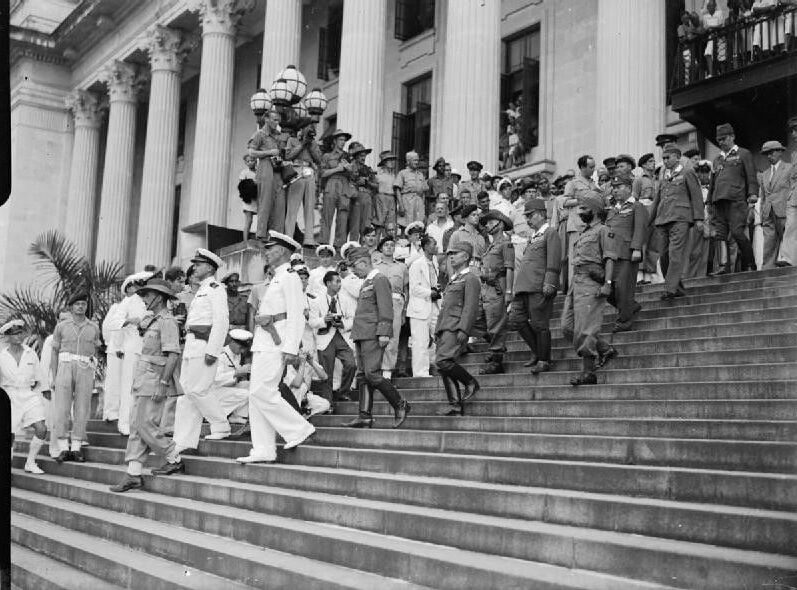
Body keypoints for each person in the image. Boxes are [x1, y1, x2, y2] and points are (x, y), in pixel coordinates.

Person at [237, 232, 316, 463]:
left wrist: (291, 347)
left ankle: (299, 429)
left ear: (282, 251)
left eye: (270, 249)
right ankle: (263, 449)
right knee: (255, 395)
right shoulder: (276, 278)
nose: (267, 253)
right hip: (264, 340)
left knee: (265, 391)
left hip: (277, 341)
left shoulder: (290, 276)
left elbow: (296, 314)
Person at [110, 279, 185, 491]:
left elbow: (172, 355)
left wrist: (163, 383)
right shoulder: (152, 320)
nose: (143, 300)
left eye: (147, 296)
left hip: (155, 379)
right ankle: (133, 474)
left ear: (159, 298)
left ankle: (174, 457)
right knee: (136, 426)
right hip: (144, 378)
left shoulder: (167, 321)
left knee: (145, 425)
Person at [343, 246, 411, 428]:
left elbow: (386, 307)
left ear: (363, 263)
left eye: (354, 267)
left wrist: (384, 332)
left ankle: (400, 403)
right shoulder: (367, 281)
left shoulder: (379, 279)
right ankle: (364, 415)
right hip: (362, 334)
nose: (353, 272)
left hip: (373, 334)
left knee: (372, 374)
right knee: (363, 376)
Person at [174, 249, 233, 456]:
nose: (195, 267)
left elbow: (221, 321)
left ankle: (221, 425)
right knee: (187, 394)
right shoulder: (201, 289)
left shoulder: (216, 288)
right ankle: (183, 440)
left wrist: (213, 350)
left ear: (209, 267)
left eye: (198, 264)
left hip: (204, 346)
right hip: (192, 346)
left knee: (199, 390)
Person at [561, 192, 618, 386]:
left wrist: (607, 284)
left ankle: (588, 373)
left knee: (586, 329)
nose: (580, 211)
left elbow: (609, 258)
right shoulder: (583, 232)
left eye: (584, 208)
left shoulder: (603, 230)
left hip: (591, 282)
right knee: (567, 327)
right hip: (576, 282)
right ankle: (604, 348)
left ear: (594, 210)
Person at [510, 199, 561, 374]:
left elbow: (554, 260)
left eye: (530, 215)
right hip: (523, 286)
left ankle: (544, 359)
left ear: (540, 213)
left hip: (539, 285)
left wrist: (550, 282)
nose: (528, 219)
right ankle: (537, 352)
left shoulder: (550, 232)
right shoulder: (534, 236)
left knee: (540, 324)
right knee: (516, 319)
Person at [50, 291, 102, 462]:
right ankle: (64, 448)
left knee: (82, 408)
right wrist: (54, 375)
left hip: (85, 367)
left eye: (83, 304)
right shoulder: (62, 326)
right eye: (77, 304)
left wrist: (94, 371)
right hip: (65, 366)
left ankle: (77, 447)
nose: (81, 307)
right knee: (62, 408)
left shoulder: (93, 327)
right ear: (71, 307)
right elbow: (55, 352)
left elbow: (96, 351)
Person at [651, 145, 705, 299]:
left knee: (675, 254)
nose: (665, 161)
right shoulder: (662, 174)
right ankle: (678, 287)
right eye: (664, 158)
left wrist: (699, 219)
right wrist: (649, 220)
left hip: (681, 218)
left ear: (677, 156)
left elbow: (696, 196)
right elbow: (657, 200)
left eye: (668, 157)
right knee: (663, 255)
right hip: (662, 219)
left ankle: (669, 289)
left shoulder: (687, 172)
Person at [435, 242, 481, 416]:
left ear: (466, 256)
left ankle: (470, 383)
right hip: (445, 326)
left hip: (455, 327)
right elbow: (445, 306)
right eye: (450, 254)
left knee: (443, 361)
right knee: (443, 365)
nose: (451, 256)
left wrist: (464, 329)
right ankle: (455, 404)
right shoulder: (454, 279)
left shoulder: (470, 278)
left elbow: (470, 307)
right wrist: (437, 329)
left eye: (456, 253)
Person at [710, 123, 758, 273]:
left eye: (724, 138)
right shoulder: (717, 159)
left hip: (736, 200)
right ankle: (724, 266)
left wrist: (752, 194)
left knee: (737, 233)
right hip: (719, 202)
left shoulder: (743, 153)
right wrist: (708, 201)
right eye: (719, 140)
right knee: (720, 235)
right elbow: (713, 182)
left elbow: (751, 175)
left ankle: (750, 263)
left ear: (732, 137)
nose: (721, 142)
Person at [1, 320, 48, 474]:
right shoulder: (2, 356)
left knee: (41, 428)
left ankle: (30, 462)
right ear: (7, 337)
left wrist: (35, 391)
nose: (18, 337)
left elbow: (38, 377)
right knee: (10, 434)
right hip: (9, 396)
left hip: (28, 394)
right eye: (14, 334)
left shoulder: (30, 353)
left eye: (20, 333)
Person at [605, 173, 649, 331]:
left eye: (619, 187)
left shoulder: (637, 206)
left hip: (627, 253)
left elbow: (640, 228)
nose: (615, 191)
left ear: (629, 188)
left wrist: (637, 248)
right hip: (610, 254)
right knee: (607, 289)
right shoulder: (612, 209)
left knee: (623, 288)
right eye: (614, 188)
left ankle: (624, 321)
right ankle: (631, 307)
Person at [308, 270, 356, 409]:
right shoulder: (316, 301)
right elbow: (312, 322)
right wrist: (324, 319)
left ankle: (343, 392)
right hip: (325, 338)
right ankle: (327, 402)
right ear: (328, 283)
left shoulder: (346, 300)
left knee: (351, 364)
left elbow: (352, 318)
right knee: (326, 372)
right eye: (337, 281)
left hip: (341, 336)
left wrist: (343, 324)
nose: (339, 284)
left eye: (340, 281)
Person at [476, 210, 515, 374]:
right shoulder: (491, 244)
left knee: (496, 323)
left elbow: (509, 268)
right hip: (487, 287)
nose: (488, 225)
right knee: (479, 320)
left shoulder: (506, 243)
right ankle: (496, 347)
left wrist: (508, 291)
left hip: (497, 286)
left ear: (500, 224)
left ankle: (497, 359)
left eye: (491, 222)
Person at [114, 272, 151, 436]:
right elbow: (115, 322)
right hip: (132, 348)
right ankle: (124, 424)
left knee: (145, 389)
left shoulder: (153, 301)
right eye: (141, 284)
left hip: (149, 350)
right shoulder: (128, 302)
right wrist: (130, 320)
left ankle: (140, 423)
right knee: (128, 387)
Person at [374, 235, 409, 379]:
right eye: (386, 245)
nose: (389, 247)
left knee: (393, 338)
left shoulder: (402, 267)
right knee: (377, 335)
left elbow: (406, 290)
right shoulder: (375, 267)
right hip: (377, 303)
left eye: (391, 245)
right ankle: (375, 370)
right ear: (381, 248)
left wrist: (403, 312)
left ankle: (387, 372)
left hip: (396, 302)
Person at [560, 156, 597, 292]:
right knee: (575, 258)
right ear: (582, 168)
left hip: (592, 224)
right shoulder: (573, 183)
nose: (593, 170)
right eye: (590, 167)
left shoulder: (594, 184)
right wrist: (581, 199)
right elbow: (564, 202)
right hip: (576, 224)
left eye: (594, 167)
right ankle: (573, 289)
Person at [407, 235, 440, 378]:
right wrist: (430, 292)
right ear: (425, 246)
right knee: (420, 341)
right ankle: (420, 373)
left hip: (434, 305)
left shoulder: (435, 263)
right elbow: (414, 288)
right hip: (420, 307)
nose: (435, 247)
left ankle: (434, 366)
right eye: (433, 244)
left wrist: (436, 290)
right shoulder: (416, 264)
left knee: (438, 338)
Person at [284, 123, 322, 246]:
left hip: (309, 171)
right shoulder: (292, 140)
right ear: (301, 129)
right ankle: (288, 236)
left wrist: (309, 145)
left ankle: (309, 238)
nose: (310, 131)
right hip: (296, 170)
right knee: (292, 207)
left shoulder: (313, 144)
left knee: (310, 207)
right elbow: (288, 155)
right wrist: (302, 145)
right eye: (307, 128)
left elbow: (319, 159)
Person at [249, 108, 284, 238]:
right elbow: (251, 153)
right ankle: (261, 234)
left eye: (278, 121)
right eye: (274, 120)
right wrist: (269, 153)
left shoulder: (277, 136)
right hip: (265, 167)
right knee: (265, 202)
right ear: (267, 119)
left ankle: (277, 236)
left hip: (277, 169)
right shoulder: (259, 134)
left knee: (280, 203)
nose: (277, 123)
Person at [212, 328, 253, 434]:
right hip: (216, 391)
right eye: (240, 348)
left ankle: (238, 415)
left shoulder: (237, 354)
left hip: (229, 387)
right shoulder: (221, 355)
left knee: (252, 386)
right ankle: (235, 416)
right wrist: (236, 373)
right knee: (247, 394)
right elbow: (216, 379)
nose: (242, 351)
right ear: (233, 342)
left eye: (244, 349)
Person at [758, 140, 792, 269]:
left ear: (780, 152)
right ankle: (767, 271)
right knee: (769, 244)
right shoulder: (764, 174)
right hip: (768, 213)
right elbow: (764, 196)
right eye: (766, 154)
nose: (769, 156)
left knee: (789, 243)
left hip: (784, 211)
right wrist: (762, 214)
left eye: (771, 152)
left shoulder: (789, 168)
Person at [320, 129, 354, 247]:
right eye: (340, 139)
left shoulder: (349, 157)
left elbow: (354, 176)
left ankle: (339, 244)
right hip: (331, 183)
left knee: (343, 217)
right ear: (334, 141)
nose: (343, 142)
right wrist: (337, 169)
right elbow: (322, 173)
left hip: (344, 185)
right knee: (327, 215)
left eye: (344, 140)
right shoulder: (327, 156)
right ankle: (324, 243)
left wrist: (350, 170)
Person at [633, 153, 660, 284]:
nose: (653, 163)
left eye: (653, 161)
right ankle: (639, 273)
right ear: (643, 165)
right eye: (650, 161)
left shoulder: (657, 180)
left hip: (656, 211)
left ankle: (650, 272)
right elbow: (635, 199)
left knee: (654, 243)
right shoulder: (639, 180)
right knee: (642, 242)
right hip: (643, 209)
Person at [101, 290, 124, 425]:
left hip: (127, 349)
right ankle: (111, 412)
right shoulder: (116, 307)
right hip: (114, 349)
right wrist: (113, 344)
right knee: (113, 382)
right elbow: (107, 327)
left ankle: (120, 412)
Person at [777, 117, 797, 267]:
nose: (794, 134)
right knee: (790, 226)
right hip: (794, 196)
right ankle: (788, 258)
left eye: (796, 130)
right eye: (792, 131)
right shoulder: (794, 154)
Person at [348, 142, 377, 241]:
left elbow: (376, 185)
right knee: (355, 223)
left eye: (364, 156)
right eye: (361, 156)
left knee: (366, 224)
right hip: (356, 196)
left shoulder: (368, 169)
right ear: (356, 156)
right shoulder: (350, 167)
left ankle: (365, 246)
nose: (363, 158)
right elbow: (347, 182)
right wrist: (356, 182)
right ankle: (354, 246)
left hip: (367, 197)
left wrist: (367, 182)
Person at [394, 151, 427, 228]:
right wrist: (401, 206)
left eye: (417, 160)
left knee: (417, 226)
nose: (417, 162)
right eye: (414, 160)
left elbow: (424, 192)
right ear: (408, 161)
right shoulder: (402, 173)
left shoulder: (420, 174)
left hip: (418, 203)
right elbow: (397, 190)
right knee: (405, 226)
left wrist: (423, 205)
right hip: (407, 202)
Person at [374, 151, 398, 241]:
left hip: (392, 199)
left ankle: (390, 243)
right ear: (384, 162)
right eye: (389, 160)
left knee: (391, 224)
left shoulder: (394, 176)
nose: (392, 162)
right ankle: (375, 246)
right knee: (379, 224)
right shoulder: (378, 175)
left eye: (393, 160)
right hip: (381, 198)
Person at [238, 154, 258, 242]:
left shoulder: (259, 172)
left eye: (252, 160)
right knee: (249, 220)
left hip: (258, 198)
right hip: (249, 200)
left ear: (256, 161)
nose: (250, 163)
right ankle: (245, 241)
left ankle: (259, 237)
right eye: (248, 161)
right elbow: (242, 186)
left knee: (261, 220)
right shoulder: (244, 172)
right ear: (245, 163)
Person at [247, 264, 273, 333]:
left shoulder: (283, 288)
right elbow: (252, 314)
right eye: (269, 273)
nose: (272, 276)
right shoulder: (257, 289)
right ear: (265, 274)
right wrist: (251, 335)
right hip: (261, 331)